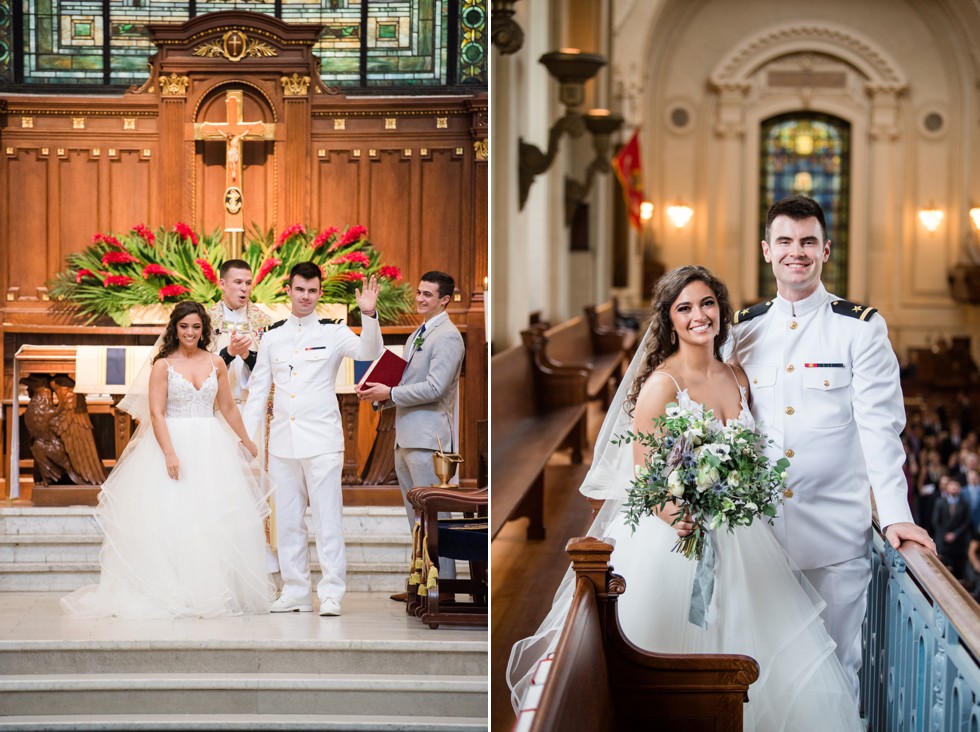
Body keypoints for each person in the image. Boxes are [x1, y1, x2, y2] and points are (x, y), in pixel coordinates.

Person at [508, 266, 861, 730]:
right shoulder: (661, 385)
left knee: (760, 662)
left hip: (742, 538)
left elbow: (753, 453)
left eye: (708, 304)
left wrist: (742, 491)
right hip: (678, 540)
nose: (700, 316)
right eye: (685, 308)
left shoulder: (738, 376)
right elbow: (645, 479)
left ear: (721, 309)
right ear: (669, 320)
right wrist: (677, 513)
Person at [729, 194, 935, 697]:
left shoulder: (859, 328)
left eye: (807, 241)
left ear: (826, 250)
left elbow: (880, 428)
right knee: (759, 673)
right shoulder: (741, 330)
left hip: (835, 537)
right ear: (766, 250)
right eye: (784, 241)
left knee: (837, 673)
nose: (795, 251)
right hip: (759, 537)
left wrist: (894, 514)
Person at [62, 301, 273, 618]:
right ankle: (175, 589)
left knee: (211, 517)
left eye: (196, 326)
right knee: (174, 517)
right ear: (175, 328)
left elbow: (227, 407)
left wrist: (246, 439)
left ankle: (211, 590)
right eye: (184, 326)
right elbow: (157, 413)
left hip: (210, 445)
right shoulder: (163, 365)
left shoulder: (216, 362)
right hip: (173, 442)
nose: (190, 332)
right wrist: (170, 453)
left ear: (204, 330)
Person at [242, 262, 383, 617]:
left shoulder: (333, 332)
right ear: (287, 290)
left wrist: (369, 314)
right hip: (284, 443)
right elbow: (258, 391)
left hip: (322, 441)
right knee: (288, 520)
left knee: (327, 518)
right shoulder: (272, 336)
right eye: (300, 289)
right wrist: (245, 438)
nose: (306, 296)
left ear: (319, 293)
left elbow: (369, 352)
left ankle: (332, 591)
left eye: (312, 291)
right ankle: (295, 591)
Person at [357, 271, 465, 599]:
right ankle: (421, 584)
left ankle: (443, 587)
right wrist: (381, 393)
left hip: (429, 438)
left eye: (428, 295)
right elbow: (407, 381)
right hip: (407, 434)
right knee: (416, 518)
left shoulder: (448, 336)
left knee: (435, 517)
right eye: (419, 292)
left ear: (444, 300)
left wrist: (389, 392)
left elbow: (435, 387)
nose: (420, 298)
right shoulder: (420, 332)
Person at [206, 259, 277, 574]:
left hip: (255, 413)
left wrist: (247, 355)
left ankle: (259, 566)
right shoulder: (205, 321)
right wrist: (226, 354)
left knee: (255, 488)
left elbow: (271, 370)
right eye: (237, 282)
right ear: (222, 284)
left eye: (248, 282)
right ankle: (218, 562)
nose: (244, 288)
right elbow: (198, 367)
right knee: (220, 487)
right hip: (217, 414)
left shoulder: (265, 321)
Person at [933, 477, 971, 578]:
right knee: (942, 569)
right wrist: (945, 534)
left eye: (956, 486)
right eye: (951, 485)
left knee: (958, 569)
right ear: (947, 488)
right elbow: (936, 521)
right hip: (943, 541)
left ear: (959, 488)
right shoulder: (940, 502)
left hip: (958, 542)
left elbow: (966, 522)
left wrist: (955, 534)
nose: (954, 488)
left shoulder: (964, 504)